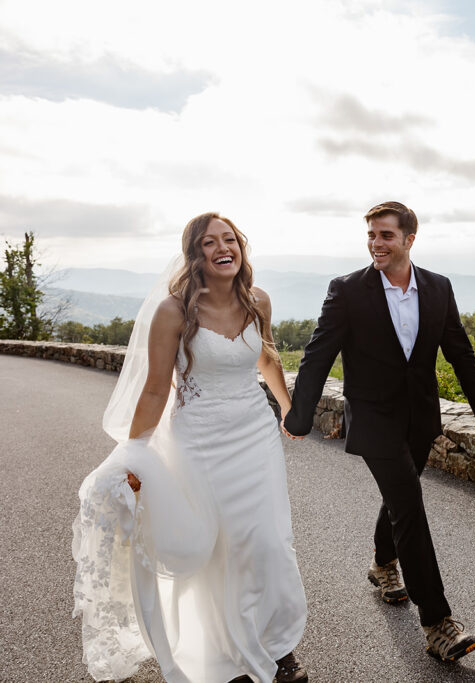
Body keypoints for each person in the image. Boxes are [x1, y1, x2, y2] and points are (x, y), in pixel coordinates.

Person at [72, 212, 308, 683]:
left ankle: (276, 644)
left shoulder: (257, 300)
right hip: (200, 443)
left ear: (240, 247)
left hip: (255, 437)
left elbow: (265, 355)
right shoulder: (173, 311)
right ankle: (225, 655)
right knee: (219, 548)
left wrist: (288, 408)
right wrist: (132, 456)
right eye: (209, 243)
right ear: (194, 254)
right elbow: (157, 389)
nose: (223, 248)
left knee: (267, 543)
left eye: (230, 239)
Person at [282, 201, 475, 662]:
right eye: (372, 236)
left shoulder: (438, 288)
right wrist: (298, 414)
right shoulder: (347, 291)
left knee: (401, 497)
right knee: (410, 503)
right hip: (374, 416)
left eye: (386, 236)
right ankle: (438, 623)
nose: (376, 244)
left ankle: (383, 565)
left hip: (420, 416)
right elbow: (318, 354)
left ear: (409, 240)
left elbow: (460, 351)